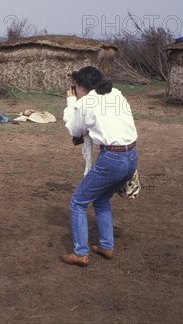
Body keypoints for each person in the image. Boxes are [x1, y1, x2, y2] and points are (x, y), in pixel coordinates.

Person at [59, 66, 138, 267]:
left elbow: (74, 129)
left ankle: (80, 252)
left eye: (75, 86)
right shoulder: (117, 94)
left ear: (82, 86)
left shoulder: (86, 102)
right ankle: (106, 246)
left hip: (112, 159)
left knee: (78, 202)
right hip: (131, 156)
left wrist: (71, 102)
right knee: (101, 199)